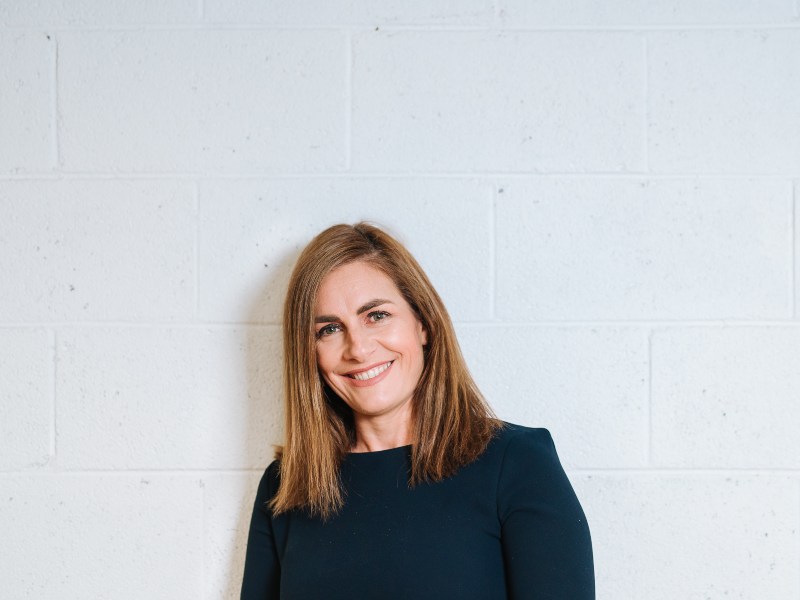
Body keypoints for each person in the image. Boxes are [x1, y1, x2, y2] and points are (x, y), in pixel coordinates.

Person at [240, 223, 594, 599]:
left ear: (422, 323)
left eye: (376, 315)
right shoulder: (286, 485)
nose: (357, 349)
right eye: (329, 329)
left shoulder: (517, 463)